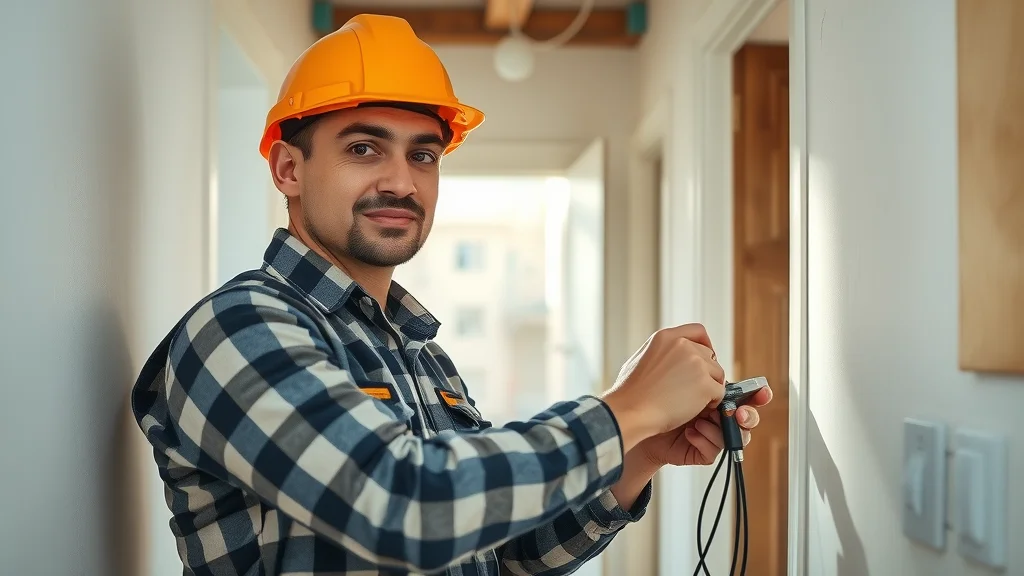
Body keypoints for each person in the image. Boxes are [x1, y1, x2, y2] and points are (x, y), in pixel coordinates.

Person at [131, 13, 771, 576]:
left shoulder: (421, 354)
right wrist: (625, 410)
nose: (401, 182)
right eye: (364, 148)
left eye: (424, 156)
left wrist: (638, 452)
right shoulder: (237, 329)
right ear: (288, 169)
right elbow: (402, 505)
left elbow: (504, 555)